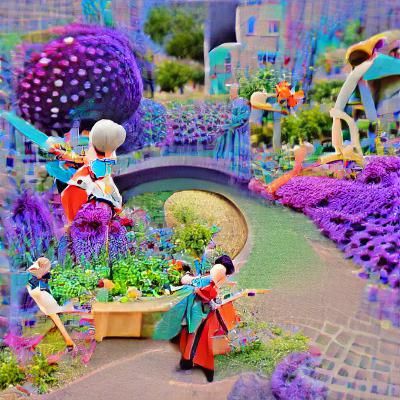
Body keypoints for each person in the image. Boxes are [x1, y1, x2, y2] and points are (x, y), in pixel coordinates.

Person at [153, 255, 237, 382]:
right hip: (196, 309)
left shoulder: (211, 278)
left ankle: (186, 361)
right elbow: (200, 291)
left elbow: (198, 288)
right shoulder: (211, 279)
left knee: (191, 334)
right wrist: (210, 300)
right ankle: (186, 362)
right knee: (192, 334)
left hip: (195, 308)